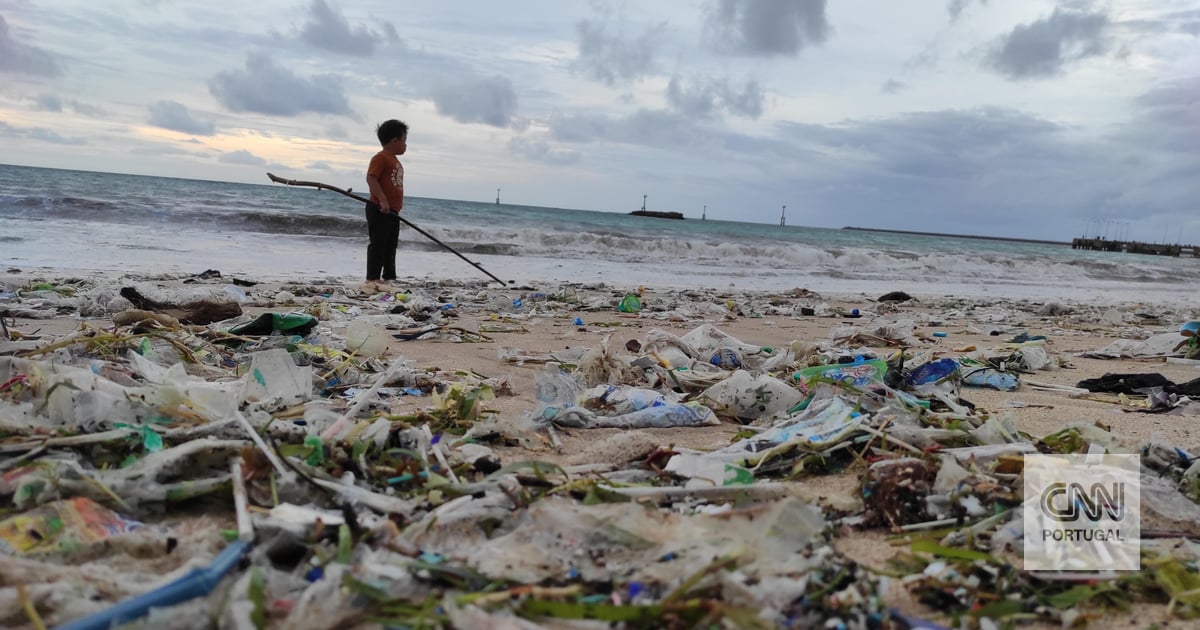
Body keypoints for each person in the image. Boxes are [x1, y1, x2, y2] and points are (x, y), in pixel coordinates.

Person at [362, 119, 408, 293]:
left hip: (392, 211)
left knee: (390, 244)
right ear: (394, 141)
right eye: (404, 140)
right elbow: (371, 178)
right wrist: (382, 200)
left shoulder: (394, 160)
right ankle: (372, 277)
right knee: (378, 243)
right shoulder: (380, 158)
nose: (405, 145)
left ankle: (389, 277)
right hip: (379, 208)